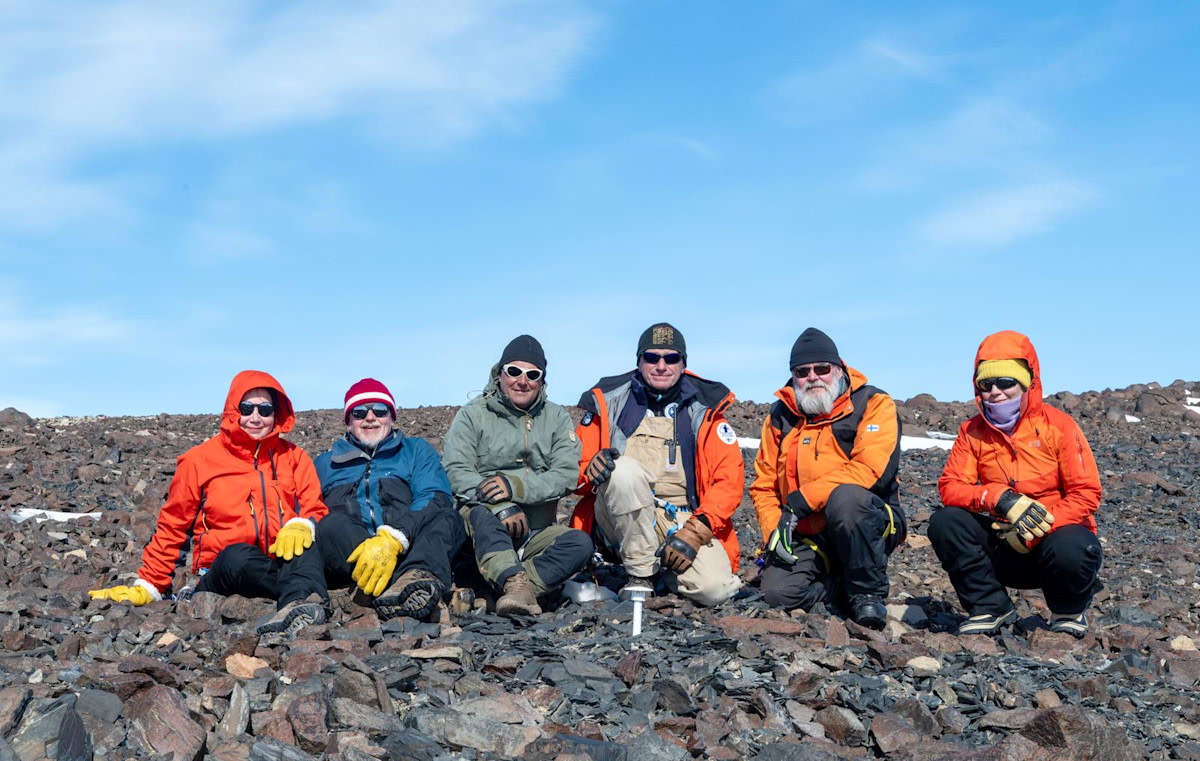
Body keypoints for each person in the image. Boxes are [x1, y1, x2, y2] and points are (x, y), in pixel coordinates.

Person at [90, 370, 330, 635]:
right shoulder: (199, 460)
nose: (255, 418)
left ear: (277, 414)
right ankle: (302, 592)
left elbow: (315, 508)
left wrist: (304, 524)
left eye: (265, 410)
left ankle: (301, 609)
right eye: (246, 408)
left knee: (304, 546)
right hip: (224, 569)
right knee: (236, 556)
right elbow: (174, 524)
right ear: (232, 411)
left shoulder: (295, 458)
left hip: (279, 562)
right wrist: (150, 585)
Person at [929, 330, 1102, 637]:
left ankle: (1068, 611)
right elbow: (950, 487)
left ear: (1026, 383)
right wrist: (1000, 498)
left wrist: (1036, 527)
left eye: (1006, 382)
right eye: (986, 384)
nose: (995, 391)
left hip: (1054, 545)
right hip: (1005, 543)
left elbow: (1086, 493)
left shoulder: (1059, 426)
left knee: (1074, 545)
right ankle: (990, 607)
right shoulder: (971, 431)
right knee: (946, 522)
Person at [570, 323, 743, 606]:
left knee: (715, 590)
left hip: (682, 518)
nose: (661, 366)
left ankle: (667, 572)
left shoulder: (706, 412)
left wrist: (696, 531)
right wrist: (592, 470)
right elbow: (575, 472)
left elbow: (728, 481)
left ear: (683, 364)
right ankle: (641, 575)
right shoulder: (608, 404)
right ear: (639, 361)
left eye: (671, 358)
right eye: (652, 357)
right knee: (621, 471)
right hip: (618, 518)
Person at [751, 328, 905, 630]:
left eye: (822, 368)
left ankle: (867, 594)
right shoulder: (780, 416)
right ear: (793, 377)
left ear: (838, 368)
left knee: (847, 498)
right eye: (802, 371)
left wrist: (802, 501)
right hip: (807, 532)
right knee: (775, 594)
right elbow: (764, 484)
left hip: (867, 520)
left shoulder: (873, 403)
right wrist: (774, 532)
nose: (813, 377)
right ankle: (839, 586)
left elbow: (869, 469)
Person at [442, 335, 593, 616]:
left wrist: (515, 487)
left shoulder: (557, 418)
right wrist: (500, 504)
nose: (522, 381)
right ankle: (513, 584)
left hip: (536, 532)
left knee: (579, 544)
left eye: (532, 374)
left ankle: (510, 591)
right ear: (499, 373)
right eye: (514, 371)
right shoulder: (472, 415)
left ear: (542, 381)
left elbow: (565, 475)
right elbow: (456, 470)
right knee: (482, 516)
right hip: (483, 524)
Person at [312, 378, 465, 621]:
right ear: (348, 423)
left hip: (408, 549)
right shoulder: (324, 464)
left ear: (392, 418)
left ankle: (409, 581)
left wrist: (394, 538)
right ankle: (411, 592)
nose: (370, 418)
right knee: (331, 523)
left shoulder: (416, 450)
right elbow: (309, 508)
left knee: (448, 517)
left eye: (380, 410)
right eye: (359, 412)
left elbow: (434, 495)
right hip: (353, 556)